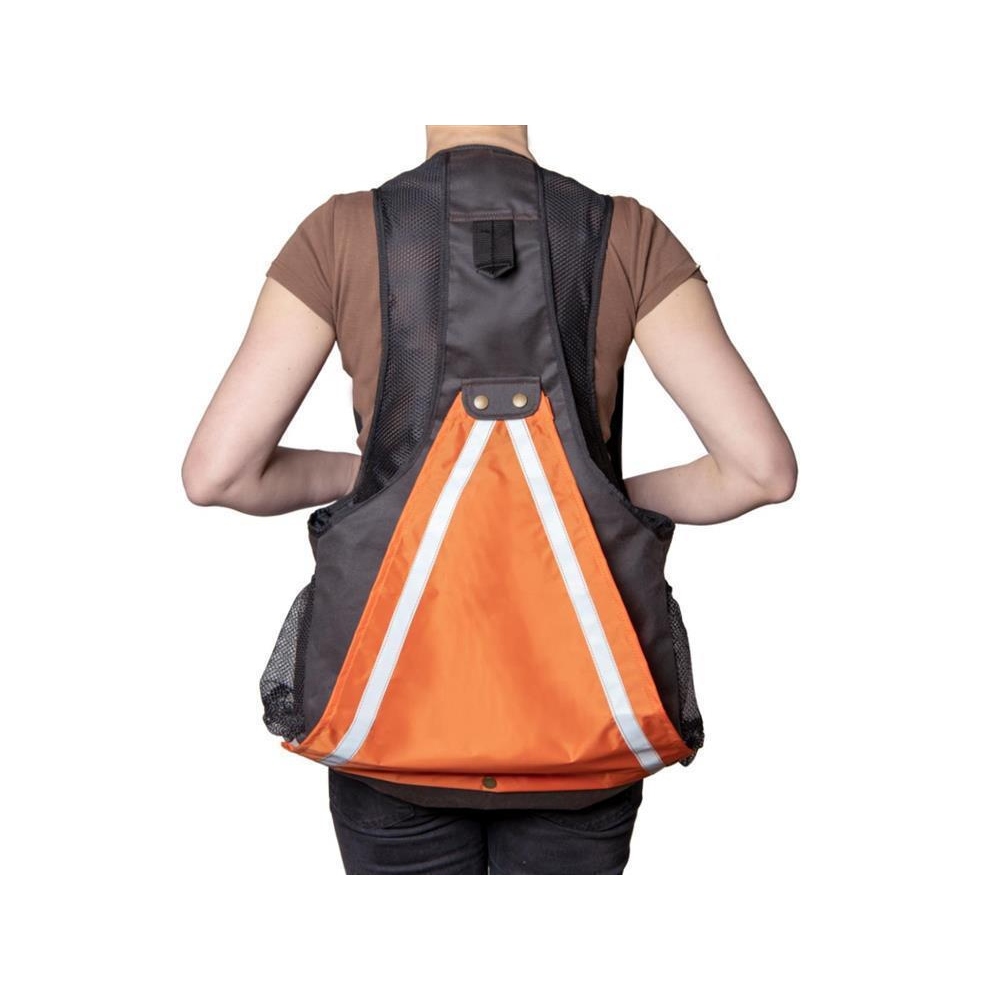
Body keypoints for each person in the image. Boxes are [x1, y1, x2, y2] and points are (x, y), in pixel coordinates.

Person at [181, 125, 797, 875]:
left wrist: (375, 479)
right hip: (584, 732)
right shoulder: (626, 233)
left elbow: (220, 475)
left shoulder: (342, 232)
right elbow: (758, 472)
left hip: (391, 730)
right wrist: (587, 500)